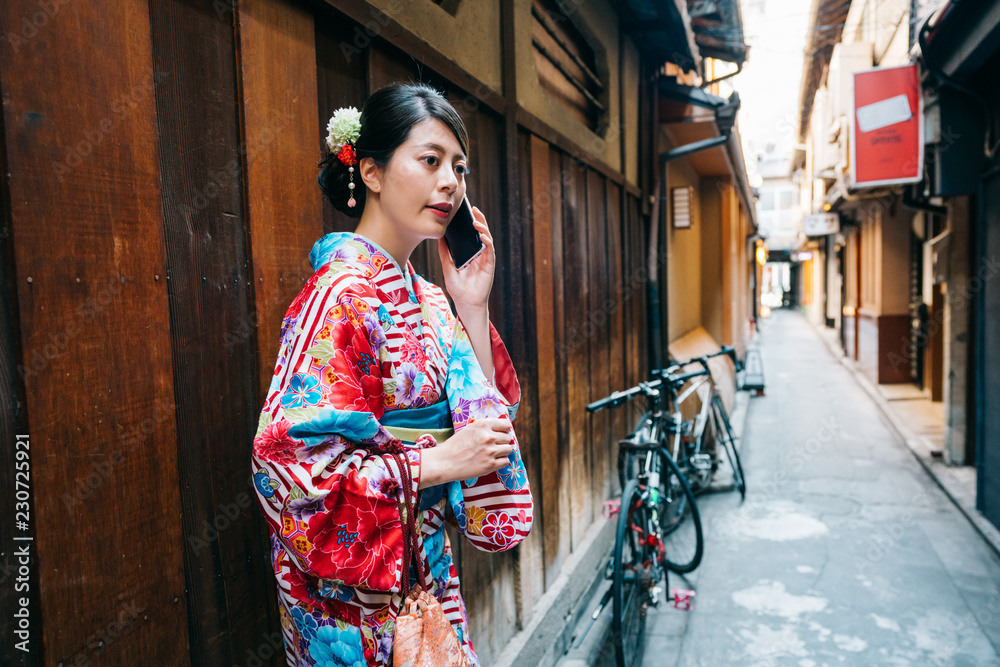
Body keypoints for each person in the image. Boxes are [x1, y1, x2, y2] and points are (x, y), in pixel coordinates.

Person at [250, 82, 533, 667]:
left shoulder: (430, 300)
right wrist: (437, 463)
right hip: (348, 600)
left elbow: (481, 413)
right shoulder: (340, 295)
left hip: (423, 571)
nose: (450, 182)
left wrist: (471, 304)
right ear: (372, 172)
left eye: (459, 167)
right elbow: (285, 462)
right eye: (430, 160)